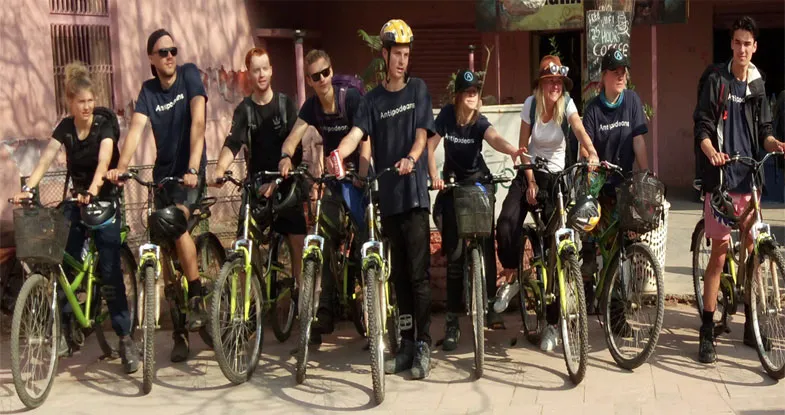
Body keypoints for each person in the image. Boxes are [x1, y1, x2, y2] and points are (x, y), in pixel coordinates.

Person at [13, 61, 139, 373]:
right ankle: (68, 328)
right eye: (80, 102)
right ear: (70, 103)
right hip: (78, 200)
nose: (87, 107)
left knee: (110, 272)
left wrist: (95, 189)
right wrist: (29, 188)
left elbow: (104, 159)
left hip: (104, 200)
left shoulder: (104, 124)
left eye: (90, 100)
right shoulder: (65, 128)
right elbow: (45, 159)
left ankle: (125, 338)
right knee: (63, 261)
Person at [330, 19, 435, 380]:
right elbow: (356, 134)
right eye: (397, 55)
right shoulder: (373, 100)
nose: (403, 61)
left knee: (419, 277)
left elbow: (422, 135)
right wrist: (338, 155)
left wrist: (412, 157)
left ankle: (424, 344)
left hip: (415, 197)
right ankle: (405, 344)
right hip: (387, 199)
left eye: (407, 54)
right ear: (385, 55)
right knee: (399, 278)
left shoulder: (418, 90)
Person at [106, 29, 208, 363]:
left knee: (177, 223)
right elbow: (135, 130)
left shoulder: (190, 75)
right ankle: (179, 332)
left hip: (190, 174)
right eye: (162, 52)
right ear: (151, 58)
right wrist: (121, 168)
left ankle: (196, 294)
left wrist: (193, 167)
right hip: (163, 178)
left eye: (172, 51)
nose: (169, 56)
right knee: (163, 254)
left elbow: (198, 121)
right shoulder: (149, 92)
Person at [692, 16, 785, 364]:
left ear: (754, 47)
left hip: (749, 179)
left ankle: (752, 324)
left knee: (753, 253)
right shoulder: (717, 80)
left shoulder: (758, 84)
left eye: (748, 43)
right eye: (737, 42)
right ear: (731, 44)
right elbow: (702, 124)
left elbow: (764, 129)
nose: (743, 48)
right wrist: (710, 152)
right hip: (720, 180)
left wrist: (774, 143)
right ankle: (706, 329)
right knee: (719, 253)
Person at [495, 55, 599, 353]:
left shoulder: (567, 103)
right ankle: (513, 274)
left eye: (558, 82)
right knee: (506, 222)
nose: (555, 86)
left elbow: (579, 129)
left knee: (557, 249)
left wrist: (590, 152)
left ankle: (553, 325)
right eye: (549, 82)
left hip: (557, 179)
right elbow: (524, 147)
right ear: (540, 84)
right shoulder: (530, 104)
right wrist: (528, 181)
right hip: (530, 173)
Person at [277, 49, 371, 345]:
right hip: (333, 174)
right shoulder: (312, 106)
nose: (322, 80)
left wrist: (353, 168)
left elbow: (362, 138)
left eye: (326, 73)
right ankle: (325, 310)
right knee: (326, 234)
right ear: (309, 80)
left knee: (365, 239)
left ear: (332, 71)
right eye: (315, 76)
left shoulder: (350, 98)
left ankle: (368, 306)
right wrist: (284, 157)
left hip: (356, 171)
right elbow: (294, 136)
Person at [428, 69, 523, 351]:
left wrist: (513, 151)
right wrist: (435, 176)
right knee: (456, 256)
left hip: (478, 183)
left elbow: (495, 138)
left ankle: (492, 308)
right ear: (458, 95)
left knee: (485, 238)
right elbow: (430, 147)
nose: (472, 96)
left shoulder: (479, 121)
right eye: (467, 92)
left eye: (475, 92)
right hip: (454, 186)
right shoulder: (447, 115)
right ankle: (453, 321)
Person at [212, 47, 304, 300]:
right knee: (243, 242)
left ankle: (301, 294)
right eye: (256, 70)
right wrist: (220, 168)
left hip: (286, 184)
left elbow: (297, 151)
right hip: (256, 187)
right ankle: (249, 303)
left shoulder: (286, 105)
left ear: (271, 71)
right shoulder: (245, 110)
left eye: (265, 68)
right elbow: (233, 142)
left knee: (298, 239)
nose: (261, 74)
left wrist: (281, 178)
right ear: (249, 75)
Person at [580, 47, 651, 336]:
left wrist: (645, 179)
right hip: (601, 184)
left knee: (624, 246)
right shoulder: (593, 110)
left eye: (624, 71)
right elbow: (588, 152)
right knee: (602, 241)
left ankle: (617, 312)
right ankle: (590, 286)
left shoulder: (632, 101)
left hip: (625, 183)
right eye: (616, 71)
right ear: (604, 76)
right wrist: (592, 172)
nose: (622, 76)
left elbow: (639, 143)